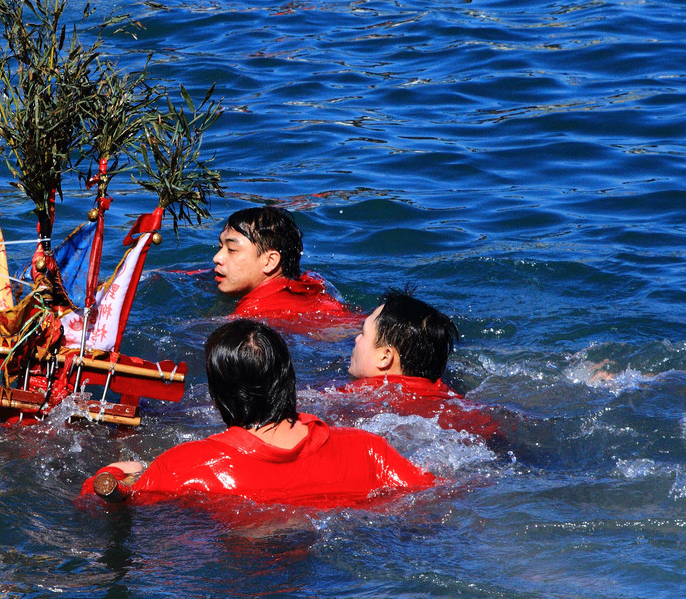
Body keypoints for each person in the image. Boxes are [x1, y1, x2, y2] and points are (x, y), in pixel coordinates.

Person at [83, 319, 434, 506]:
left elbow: (98, 501)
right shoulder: (367, 449)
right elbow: (432, 493)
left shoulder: (184, 468)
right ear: (289, 378)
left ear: (219, 392)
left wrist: (117, 469)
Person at [343, 290, 498, 437]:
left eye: (363, 333)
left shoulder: (359, 394)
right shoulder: (454, 400)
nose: (356, 339)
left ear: (385, 357)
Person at [212, 205, 358, 326]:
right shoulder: (308, 282)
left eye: (232, 250)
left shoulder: (252, 315)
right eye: (220, 247)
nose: (217, 258)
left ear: (270, 262)